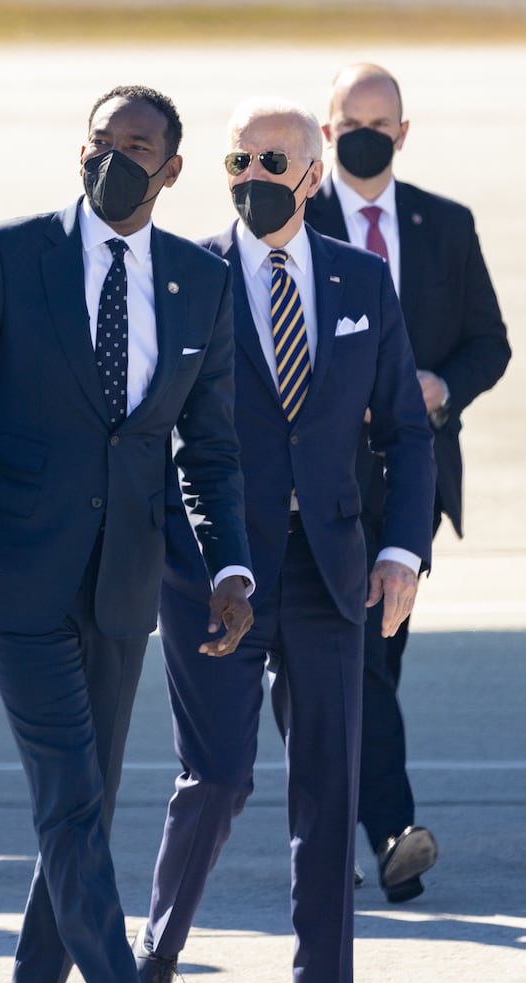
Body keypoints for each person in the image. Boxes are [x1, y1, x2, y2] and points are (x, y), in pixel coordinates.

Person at [0, 85, 254, 983]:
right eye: (100, 141)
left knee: (78, 815)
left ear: (171, 170)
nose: (113, 159)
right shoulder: (11, 254)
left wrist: (229, 564)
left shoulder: (201, 283)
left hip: (121, 587)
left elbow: (209, 448)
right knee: (69, 800)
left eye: (137, 147)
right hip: (7, 569)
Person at [136, 98, 436, 983]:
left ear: (313, 174)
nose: (252, 180)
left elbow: (406, 437)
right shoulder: (184, 275)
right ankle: (155, 953)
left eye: (272, 164)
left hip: (331, 570)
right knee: (220, 775)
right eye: (237, 164)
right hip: (215, 573)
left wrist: (401, 551)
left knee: (328, 795)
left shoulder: (359, 281)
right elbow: (149, 430)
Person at [306, 62, 511, 903]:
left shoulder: (443, 225)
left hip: (412, 477)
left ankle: (341, 830)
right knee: (353, 652)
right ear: (325, 132)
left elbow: (488, 343)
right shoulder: (291, 221)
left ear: (402, 131)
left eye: (380, 121)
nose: (366, 134)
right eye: (349, 120)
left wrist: (439, 387)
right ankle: (390, 832)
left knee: (372, 658)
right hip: (320, 480)